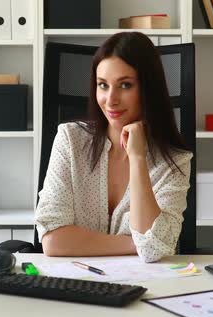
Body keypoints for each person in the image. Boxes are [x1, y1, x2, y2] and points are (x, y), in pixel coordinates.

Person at [34, 32, 192, 263]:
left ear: (148, 88)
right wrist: (136, 243)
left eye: (125, 85)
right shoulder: (70, 140)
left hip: (144, 287)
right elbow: (53, 240)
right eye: (103, 85)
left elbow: (151, 250)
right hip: (75, 285)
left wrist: (138, 158)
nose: (110, 99)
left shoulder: (175, 162)